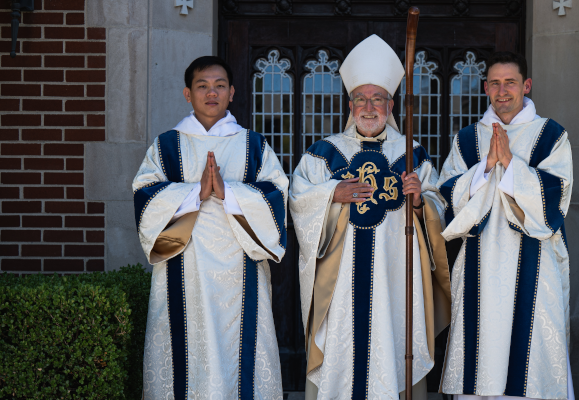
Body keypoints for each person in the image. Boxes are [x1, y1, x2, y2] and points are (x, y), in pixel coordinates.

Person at [289, 35, 452, 400]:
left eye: (377, 98)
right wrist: (333, 193)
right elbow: (298, 200)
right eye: (360, 98)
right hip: (341, 281)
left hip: (396, 279)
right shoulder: (323, 153)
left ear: (390, 104)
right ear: (350, 104)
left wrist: (417, 202)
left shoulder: (412, 154)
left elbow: (440, 206)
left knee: (393, 347)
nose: (368, 106)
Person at [133, 56, 287, 400]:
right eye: (202, 86)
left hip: (240, 270)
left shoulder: (254, 145)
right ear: (188, 94)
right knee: (185, 350)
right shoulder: (166, 146)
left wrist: (227, 192)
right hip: (183, 268)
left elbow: (277, 198)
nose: (211, 93)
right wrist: (196, 194)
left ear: (232, 93)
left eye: (219, 86)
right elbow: (144, 197)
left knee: (238, 353)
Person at [437, 51, 575, 400]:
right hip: (478, 266)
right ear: (485, 88)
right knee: (481, 351)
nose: (502, 91)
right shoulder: (467, 139)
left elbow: (557, 200)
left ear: (526, 85)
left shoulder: (550, 135)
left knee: (530, 363)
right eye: (495, 83)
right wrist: (484, 170)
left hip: (535, 263)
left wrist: (511, 165)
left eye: (510, 82)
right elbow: (446, 197)